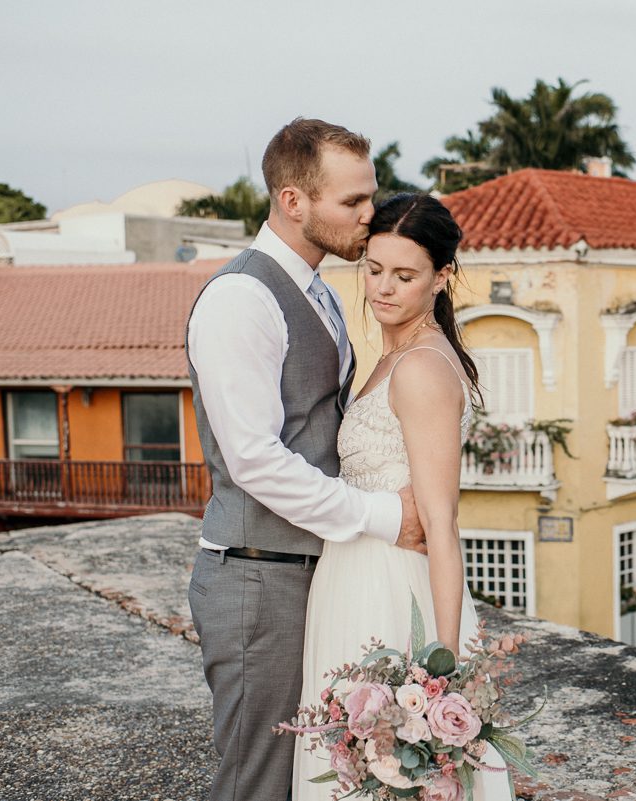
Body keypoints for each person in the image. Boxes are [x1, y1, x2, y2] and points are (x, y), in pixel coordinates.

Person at [186, 118, 426, 801]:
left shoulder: (316, 286)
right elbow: (257, 461)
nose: (369, 214)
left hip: (305, 576)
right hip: (258, 582)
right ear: (295, 202)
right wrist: (384, 516)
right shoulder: (242, 298)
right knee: (252, 782)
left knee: (307, 777)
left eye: (369, 196)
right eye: (352, 201)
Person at [293, 193, 511, 800]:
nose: (383, 288)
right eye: (374, 268)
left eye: (406, 275)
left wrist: (443, 670)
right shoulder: (393, 354)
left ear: (442, 278)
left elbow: (441, 526)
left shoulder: (419, 367)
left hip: (389, 592)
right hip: (354, 574)